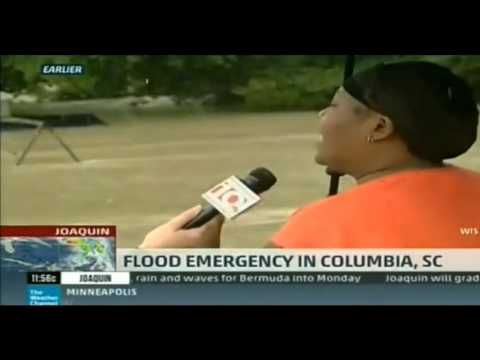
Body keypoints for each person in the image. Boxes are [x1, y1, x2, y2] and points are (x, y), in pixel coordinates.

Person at [139, 61, 480, 249]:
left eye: (333, 106)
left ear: (379, 128)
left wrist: (173, 267)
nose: (321, 116)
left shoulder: (322, 228)